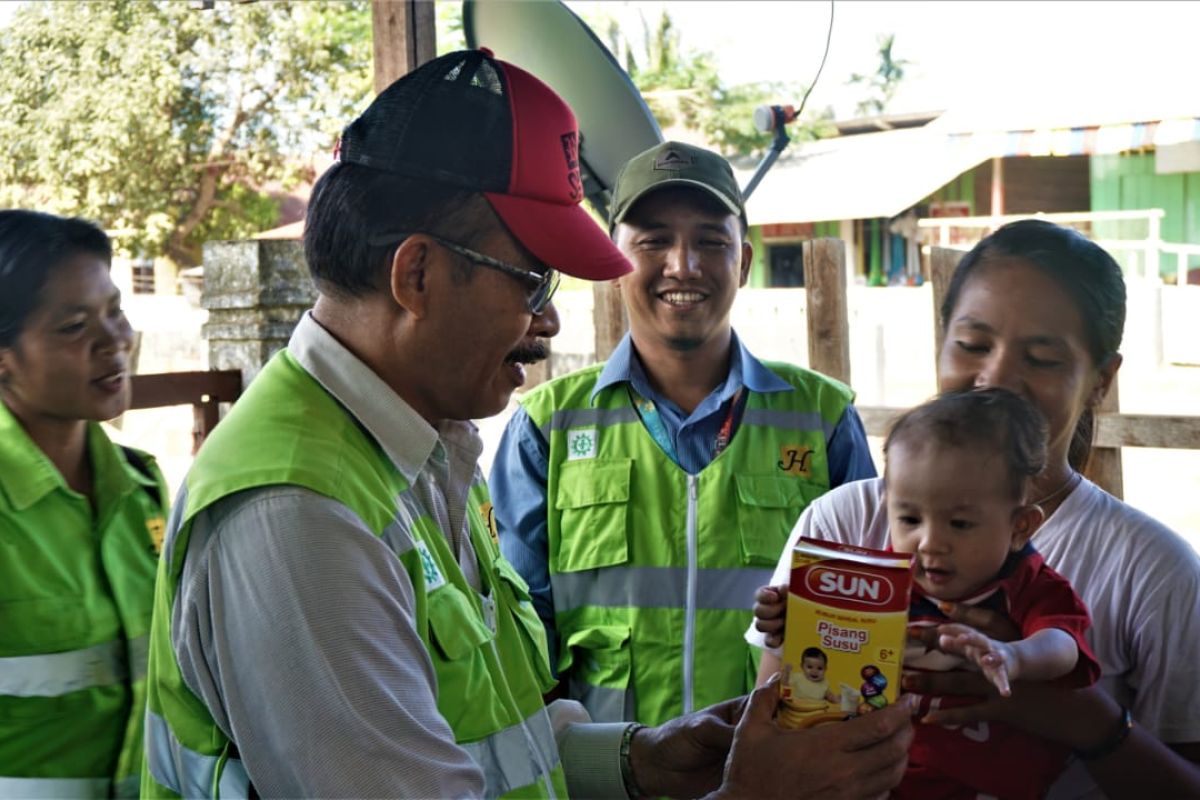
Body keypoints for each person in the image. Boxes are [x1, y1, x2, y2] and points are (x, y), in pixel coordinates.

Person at [139, 49, 913, 799]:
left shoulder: (423, 454)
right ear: (416, 275)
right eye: (532, 280)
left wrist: (637, 762)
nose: (546, 320)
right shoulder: (299, 515)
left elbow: (483, 739)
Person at [750, 219, 1200, 798]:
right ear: (941, 342)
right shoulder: (842, 523)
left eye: (1041, 357)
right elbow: (770, 734)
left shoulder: (1152, 571)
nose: (996, 378)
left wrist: (1076, 716)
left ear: (1101, 380)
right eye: (973, 345)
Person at [490, 140, 877, 727]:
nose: (683, 265)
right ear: (615, 260)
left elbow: (863, 623)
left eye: (710, 242)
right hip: (608, 774)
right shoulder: (547, 426)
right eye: (653, 241)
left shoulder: (822, 419)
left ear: (743, 263)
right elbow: (519, 634)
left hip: (770, 771)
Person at [0, 210, 167, 798]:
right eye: (74, 326)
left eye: (114, 312)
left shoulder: (143, 488)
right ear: (3, 356)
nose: (114, 340)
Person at [878, 388, 1100, 798]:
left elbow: (1063, 643)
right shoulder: (883, 576)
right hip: (887, 773)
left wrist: (1016, 655)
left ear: (1020, 527)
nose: (929, 542)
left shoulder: (1028, 582)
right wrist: (788, 615)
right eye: (909, 518)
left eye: (960, 524)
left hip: (987, 782)